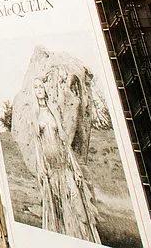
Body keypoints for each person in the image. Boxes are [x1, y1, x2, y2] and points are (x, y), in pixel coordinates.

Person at [31, 75, 101, 242]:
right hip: (50, 169)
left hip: (64, 164)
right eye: (36, 87)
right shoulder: (34, 115)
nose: (39, 90)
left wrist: (74, 167)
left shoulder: (53, 110)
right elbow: (37, 145)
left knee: (75, 203)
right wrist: (42, 168)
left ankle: (83, 239)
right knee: (57, 207)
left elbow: (64, 140)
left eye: (41, 86)